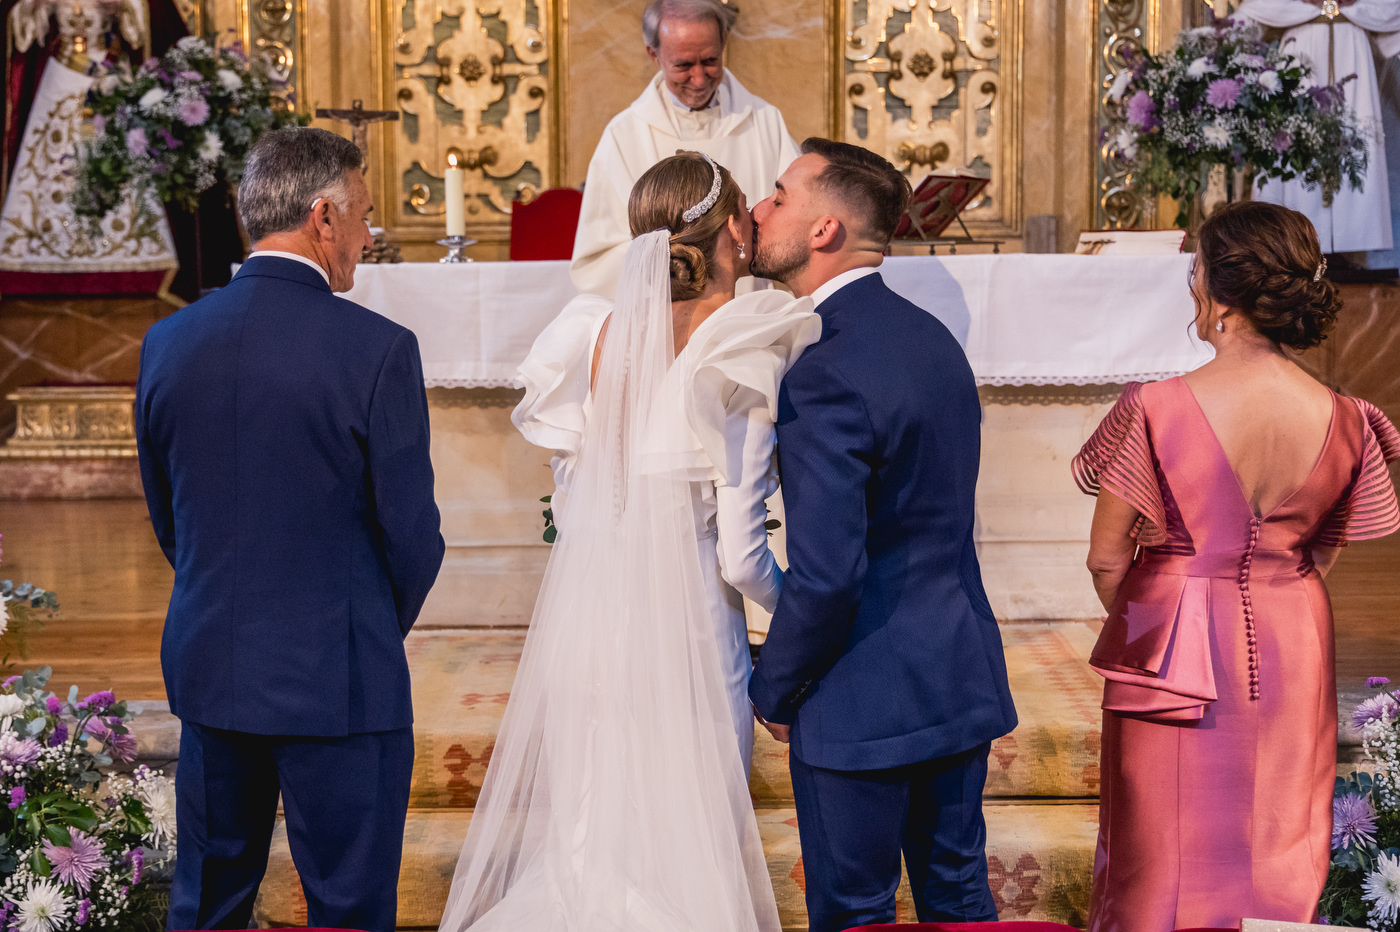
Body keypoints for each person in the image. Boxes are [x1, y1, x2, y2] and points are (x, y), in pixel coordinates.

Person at [438, 152, 818, 931]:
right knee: (687, 847)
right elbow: (743, 555)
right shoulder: (741, 337)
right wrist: (799, 620)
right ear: (733, 234)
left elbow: (579, 509)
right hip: (687, 638)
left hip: (595, 630)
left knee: (593, 840)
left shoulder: (598, 333)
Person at [135, 126, 444, 932]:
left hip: (212, 666)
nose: (369, 239)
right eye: (365, 217)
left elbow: (169, 515)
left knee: (206, 905)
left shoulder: (167, 342)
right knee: (347, 909)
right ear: (323, 218)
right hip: (339, 682)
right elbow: (412, 533)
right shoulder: (376, 350)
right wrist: (362, 621)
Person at [1074, 200, 1400, 931]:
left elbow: (1104, 558)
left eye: (1196, 271)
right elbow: (1327, 548)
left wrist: (1156, 632)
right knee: (1283, 838)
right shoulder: (1348, 415)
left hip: (1169, 646)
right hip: (1295, 634)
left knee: (1157, 856)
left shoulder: (1156, 406)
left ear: (1217, 292)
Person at [746, 138, 1018, 932]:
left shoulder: (823, 365)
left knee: (856, 911)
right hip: (956, 667)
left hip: (862, 693)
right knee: (959, 895)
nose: (760, 211)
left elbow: (829, 574)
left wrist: (777, 684)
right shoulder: (932, 337)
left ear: (824, 229)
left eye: (778, 196)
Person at [570, 0, 800, 298]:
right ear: (654, 54)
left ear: (724, 43)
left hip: (747, 313)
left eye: (710, 61)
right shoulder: (624, 135)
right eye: (683, 65)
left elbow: (796, 219)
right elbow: (598, 262)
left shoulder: (765, 122)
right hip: (663, 318)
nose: (700, 78)